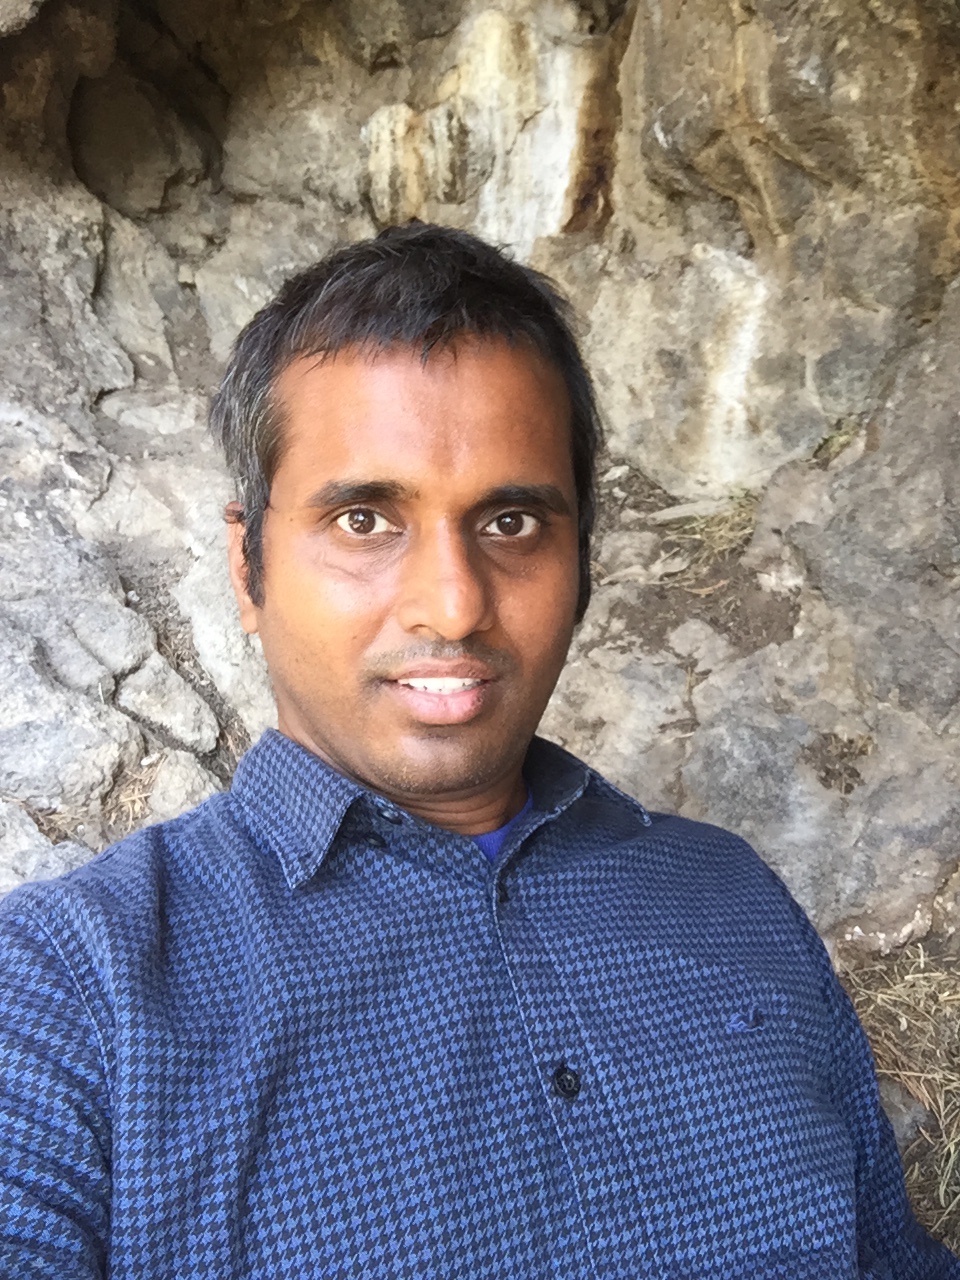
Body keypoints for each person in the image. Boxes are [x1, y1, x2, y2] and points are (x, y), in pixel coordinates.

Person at [0, 224, 955, 1280]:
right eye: (364, 520)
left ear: (583, 559)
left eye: (511, 523)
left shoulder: (728, 891)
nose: (453, 606)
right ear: (248, 566)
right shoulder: (68, 988)